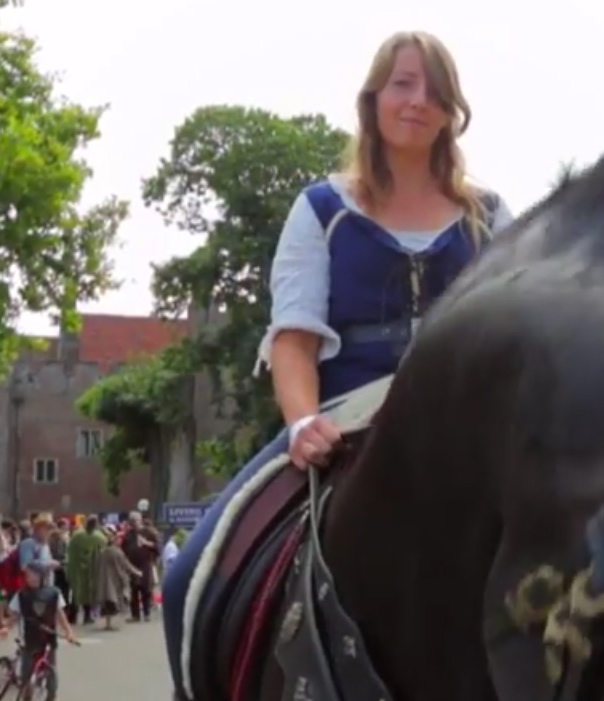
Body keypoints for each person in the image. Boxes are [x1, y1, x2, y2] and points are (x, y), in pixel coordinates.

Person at [160, 30, 513, 695]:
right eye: (403, 84)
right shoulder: (322, 208)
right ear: (374, 97)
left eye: (435, 89)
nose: (418, 101)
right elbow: (294, 338)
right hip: (344, 415)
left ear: (451, 108)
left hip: (465, 421)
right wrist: (301, 425)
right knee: (187, 577)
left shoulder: (491, 216)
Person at [0, 560, 78, 699]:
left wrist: (69, 632)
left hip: (48, 637)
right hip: (28, 639)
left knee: (51, 673)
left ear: (42, 576)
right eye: (28, 575)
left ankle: (51, 695)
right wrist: (6, 627)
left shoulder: (54, 593)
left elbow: (60, 614)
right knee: (27, 676)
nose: (30, 578)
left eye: (33, 575)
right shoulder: (21, 595)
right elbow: (16, 615)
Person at [94, 526, 140, 631]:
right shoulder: (117, 552)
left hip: (103, 581)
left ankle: (107, 623)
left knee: (106, 603)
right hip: (115, 581)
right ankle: (110, 624)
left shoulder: (103, 552)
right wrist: (137, 572)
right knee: (114, 602)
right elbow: (126, 565)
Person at [66, 515, 103, 625]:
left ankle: (73, 617)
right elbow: (102, 552)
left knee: (77, 593)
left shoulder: (77, 536)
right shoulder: (99, 537)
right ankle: (86, 616)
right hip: (88, 569)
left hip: (77, 568)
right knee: (86, 593)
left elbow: (70, 551)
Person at [122, 511, 159, 622]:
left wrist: (147, 543)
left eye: (135, 521)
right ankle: (135, 615)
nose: (133, 524)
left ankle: (147, 613)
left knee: (145, 589)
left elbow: (157, 547)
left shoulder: (149, 532)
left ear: (140, 520)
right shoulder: (128, 535)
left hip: (145, 564)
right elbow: (123, 549)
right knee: (134, 589)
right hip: (132, 565)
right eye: (131, 521)